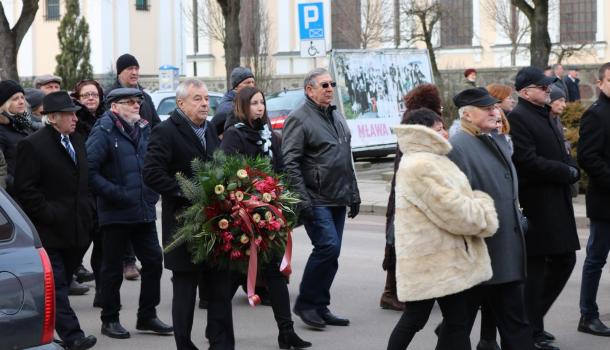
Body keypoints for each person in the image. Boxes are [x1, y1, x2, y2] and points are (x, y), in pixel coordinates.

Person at [386, 107, 498, 350]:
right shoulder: (420, 164)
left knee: (456, 321)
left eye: (444, 128)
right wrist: (483, 209)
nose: (445, 133)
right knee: (417, 319)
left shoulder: (431, 159)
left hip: (443, 257)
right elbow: (450, 208)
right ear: (424, 133)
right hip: (430, 259)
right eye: (439, 129)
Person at [143, 79, 234, 349]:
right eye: (197, 98)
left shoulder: (209, 130)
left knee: (219, 287)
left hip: (215, 224)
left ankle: (221, 343)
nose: (205, 103)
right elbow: (151, 173)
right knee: (185, 288)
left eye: (206, 98)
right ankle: (184, 343)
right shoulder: (165, 131)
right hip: (183, 225)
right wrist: (187, 191)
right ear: (181, 103)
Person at [220, 86, 311, 349]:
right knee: (234, 276)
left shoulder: (270, 134)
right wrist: (250, 197)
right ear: (242, 106)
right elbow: (229, 173)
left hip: (269, 213)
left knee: (275, 273)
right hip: (243, 215)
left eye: (262, 103)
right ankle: (218, 329)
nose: (260, 107)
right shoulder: (234, 136)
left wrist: (280, 196)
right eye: (254, 103)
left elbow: (280, 169)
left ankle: (287, 333)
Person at [449, 88, 534, 350]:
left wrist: (518, 219)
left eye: (495, 107)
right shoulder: (457, 147)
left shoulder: (494, 139)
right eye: (487, 109)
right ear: (468, 115)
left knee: (515, 325)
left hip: (505, 251)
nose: (495, 111)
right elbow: (456, 207)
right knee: (457, 328)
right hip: (479, 256)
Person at [86, 88, 172, 339]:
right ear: (115, 107)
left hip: (142, 209)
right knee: (112, 268)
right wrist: (118, 193)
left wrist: (151, 192)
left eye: (138, 101)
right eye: (130, 102)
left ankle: (147, 315)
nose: (137, 106)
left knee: (154, 261)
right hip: (116, 213)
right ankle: (109, 318)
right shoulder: (103, 131)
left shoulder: (143, 128)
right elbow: (89, 172)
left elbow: (152, 164)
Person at [13, 91, 97, 350]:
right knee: (57, 286)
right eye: (69, 114)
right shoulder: (33, 145)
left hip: (77, 230)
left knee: (57, 286)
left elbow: (84, 180)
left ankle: (39, 329)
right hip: (50, 231)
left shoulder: (77, 140)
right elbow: (25, 189)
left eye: (75, 113)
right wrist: (50, 213)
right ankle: (73, 336)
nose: (74, 118)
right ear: (52, 118)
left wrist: (89, 211)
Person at [508, 67, 580, 350]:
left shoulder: (546, 114)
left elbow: (563, 151)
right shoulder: (518, 119)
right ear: (526, 92)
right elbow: (527, 161)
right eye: (543, 86)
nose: (549, 90)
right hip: (537, 205)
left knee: (564, 261)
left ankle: (533, 324)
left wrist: (571, 167)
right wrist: (566, 171)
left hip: (556, 201)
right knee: (537, 272)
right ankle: (529, 331)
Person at [283, 67, 360, 329]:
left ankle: (320, 304)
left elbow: (345, 158)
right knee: (327, 246)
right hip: (315, 196)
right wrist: (301, 199)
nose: (329, 89)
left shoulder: (336, 116)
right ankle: (306, 303)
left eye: (332, 84)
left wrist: (354, 193)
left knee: (332, 251)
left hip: (338, 194)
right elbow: (290, 162)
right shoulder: (300, 118)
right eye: (324, 85)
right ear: (309, 90)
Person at [381, 83, 443, 312]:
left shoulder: (417, 119)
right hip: (408, 191)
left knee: (403, 243)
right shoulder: (418, 122)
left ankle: (402, 291)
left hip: (407, 188)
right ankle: (391, 293)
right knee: (398, 243)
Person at [108, 53, 161, 279]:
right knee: (126, 216)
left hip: (144, 165)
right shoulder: (110, 96)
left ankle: (145, 260)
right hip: (120, 166)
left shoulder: (145, 98)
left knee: (144, 215)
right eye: (129, 68)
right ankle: (127, 261)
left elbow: (156, 126)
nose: (134, 72)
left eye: (137, 68)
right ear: (120, 72)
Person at [577, 62, 610, 337]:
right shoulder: (596, 114)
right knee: (596, 259)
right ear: (600, 83)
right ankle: (588, 315)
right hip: (605, 203)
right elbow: (588, 157)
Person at [71, 79, 105, 302]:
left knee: (103, 246)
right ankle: (67, 277)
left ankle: (102, 293)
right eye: (86, 95)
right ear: (78, 98)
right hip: (82, 191)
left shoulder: (107, 119)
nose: (91, 98)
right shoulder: (74, 121)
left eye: (94, 94)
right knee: (80, 242)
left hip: (102, 191)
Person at [0, 80, 34, 194]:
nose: (21, 101)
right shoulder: (1, 130)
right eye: (15, 99)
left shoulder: (25, 124)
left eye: (22, 97)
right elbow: (2, 171)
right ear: (3, 103)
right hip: (16, 195)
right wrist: (21, 187)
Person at [213, 66, 256, 136]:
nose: (251, 85)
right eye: (247, 83)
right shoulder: (228, 108)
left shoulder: (247, 102)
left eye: (253, 82)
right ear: (236, 86)